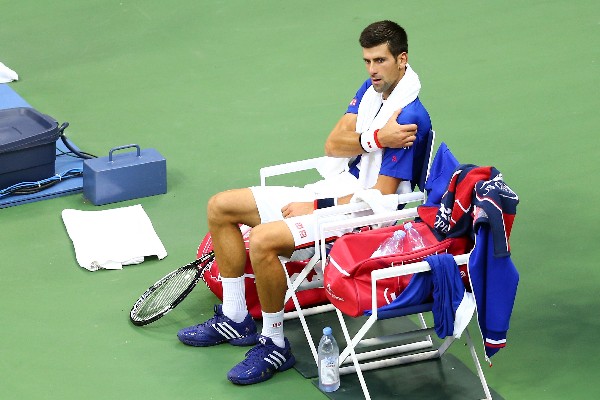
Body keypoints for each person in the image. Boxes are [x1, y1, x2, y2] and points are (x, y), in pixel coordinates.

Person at [178, 20, 432, 385]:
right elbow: (333, 144)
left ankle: (275, 343)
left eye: (380, 61)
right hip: (336, 189)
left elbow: (382, 199)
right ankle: (236, 319)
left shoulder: (410, 118)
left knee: (264, 240)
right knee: (221, 206)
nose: (372, 70)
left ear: (402, 59)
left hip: (361, 214)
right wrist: (377, 137)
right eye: (366, 61)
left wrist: (317, 206)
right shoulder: (373, 91)